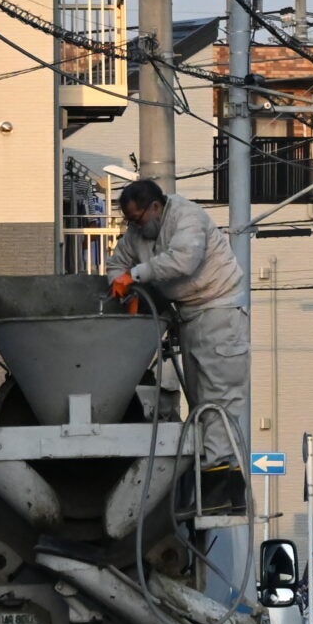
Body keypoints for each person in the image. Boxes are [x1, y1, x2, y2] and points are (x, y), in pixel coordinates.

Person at [106, 179, 248, 514]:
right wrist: (122, 286)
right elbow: (118, 264)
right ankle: (225, 488)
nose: (136, 227)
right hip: (189, 316)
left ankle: (217, 490)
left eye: (139, 219)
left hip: (219, 312)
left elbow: (184, 259)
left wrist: (137, 275)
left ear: (156, 207)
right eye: (131, 221)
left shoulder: (187, 217)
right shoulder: (137, 235)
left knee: (219, 399)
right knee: (201, 401)